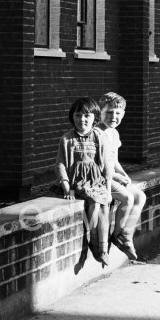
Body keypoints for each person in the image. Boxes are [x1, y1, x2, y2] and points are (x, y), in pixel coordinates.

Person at [55, 97, 112, 267]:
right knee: (95, 203)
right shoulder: (67, 139)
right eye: (78, 115)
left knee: (103, 206)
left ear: (95, 117)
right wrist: (67, 189)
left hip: (96, 182)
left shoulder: (98, 136)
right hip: (77, 183)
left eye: (87, 115)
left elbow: (106, 165)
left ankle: (101, 248)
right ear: (72, 117)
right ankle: (93, 241)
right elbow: (61, 165)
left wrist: (108, 190)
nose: (82, 119)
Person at [97, 92, 146, 261]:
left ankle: (126, 233)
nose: (113, 116)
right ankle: (118, 236)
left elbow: (114, 160)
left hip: (113, 176)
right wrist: (117, 177)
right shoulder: (98, 133)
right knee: (128, 198)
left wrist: (124, 174)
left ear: (123, 114)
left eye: (117, 113)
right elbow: (100, 164)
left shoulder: (114, 133)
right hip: (101, 178)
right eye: (109, 112)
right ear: (100, 112)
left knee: (140, 196)